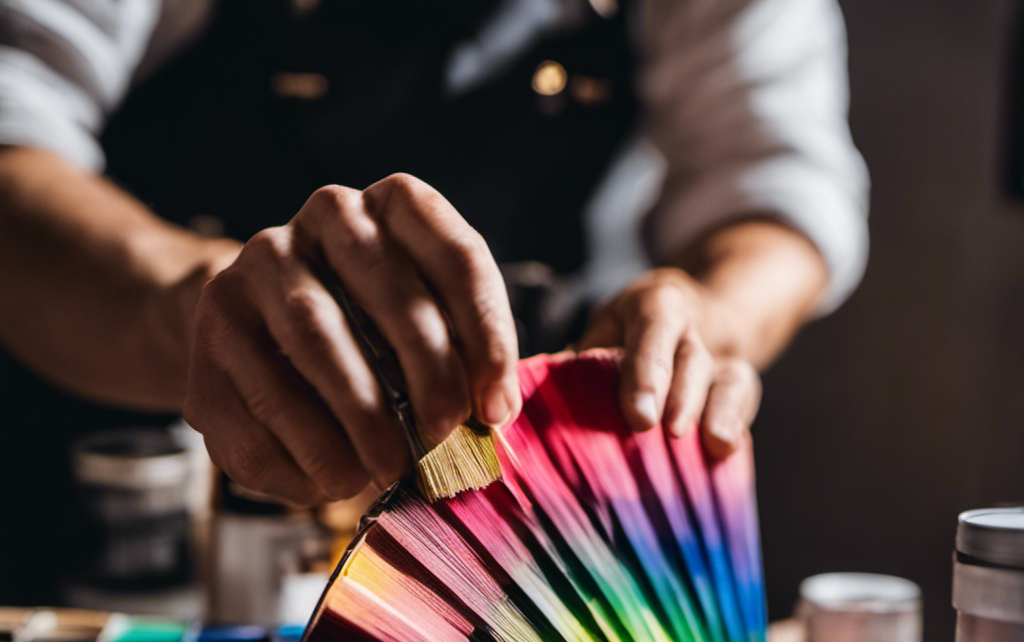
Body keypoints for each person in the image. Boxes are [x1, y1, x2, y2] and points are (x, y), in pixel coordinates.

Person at [0, 0, 867, 601]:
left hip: (541, 543)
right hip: (155, 536)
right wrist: (195, 306)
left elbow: (780, 192)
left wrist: (712, 314)